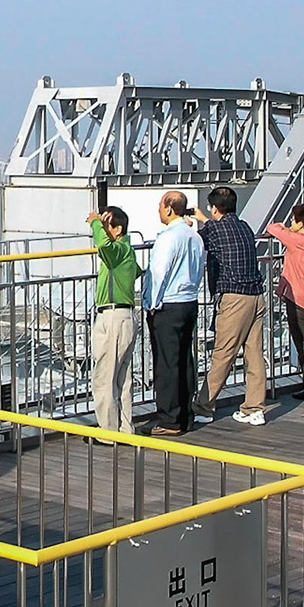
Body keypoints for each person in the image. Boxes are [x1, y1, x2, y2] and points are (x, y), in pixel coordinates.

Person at [190, 185, 267, 424]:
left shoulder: (214, 229)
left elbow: (197, 241)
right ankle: (254, 408)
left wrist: (199, 221)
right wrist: (206, 219)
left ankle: (204, 407)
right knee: (254, 355)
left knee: (223, 353)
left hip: (234, 299)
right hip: (256, 295)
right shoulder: (244, 227)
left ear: (214, 208)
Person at [143, 190, 207, 436]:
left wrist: (151, 304)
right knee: (184, 360)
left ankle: (169, 419)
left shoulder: (168, 238)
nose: (159, 210)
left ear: (169, 208)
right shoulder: (194, 237)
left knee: (167, 364)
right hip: (189, 301)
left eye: (161, 205)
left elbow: (159, 273)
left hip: (168, 304)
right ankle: (185, 415)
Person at [265, 205, 304, 409]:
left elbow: (273, 227)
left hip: (297, 298)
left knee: (303, 343)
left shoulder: (301, 241)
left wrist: (291, 230)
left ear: (301, 223)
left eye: (295, 220)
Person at [85, 205, 143, 433]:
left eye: (107, 224)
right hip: (126, 316)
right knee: (123, 378)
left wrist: (95, 222)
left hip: (112, 317)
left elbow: (103, 245)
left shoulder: (117, 251)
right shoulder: (127, 252)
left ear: (117, 230)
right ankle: (126, 428)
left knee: (104, 377)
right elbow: (136, 271)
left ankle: (108, 431)